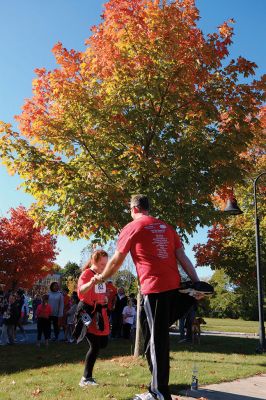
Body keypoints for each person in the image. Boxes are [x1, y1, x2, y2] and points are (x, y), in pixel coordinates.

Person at [90, 194, 211, 400]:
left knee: (155, 342)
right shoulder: (167, 227)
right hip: (173, 288)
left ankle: (158, 393)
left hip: (154, 290)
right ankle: (190, 295)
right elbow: (182, 256)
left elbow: (117, 260)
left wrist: (101, 277)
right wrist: (197, 281)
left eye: (130, 208)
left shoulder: (132, 227)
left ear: (134, 208)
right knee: (154, 338)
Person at [77, 249, 110, 387]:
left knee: (103, 343)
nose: (104, 267)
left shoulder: (101, 275)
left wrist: (105, 299)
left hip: (99, 312)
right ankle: (86, 378)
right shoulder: (87, 274)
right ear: (93, 261)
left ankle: (87, 378)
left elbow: (100, 292)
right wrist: (91, 282)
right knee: (95, 345)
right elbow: (81, 290)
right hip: (86, 312)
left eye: (106, 264)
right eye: (102, 264)